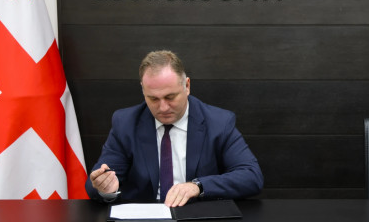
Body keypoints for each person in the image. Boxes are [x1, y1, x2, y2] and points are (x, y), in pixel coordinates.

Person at [85, 50, 263, 207]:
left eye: (170, 97)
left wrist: (198, 186)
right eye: (153, 99)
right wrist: (105, 189)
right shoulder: (126, 123)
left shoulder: (218, 122)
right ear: (143, 90)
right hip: (145, 221)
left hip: (201, 220)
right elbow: (96, 183)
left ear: (187, 86)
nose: (163, 108)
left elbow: (251, 177)